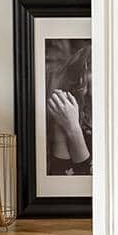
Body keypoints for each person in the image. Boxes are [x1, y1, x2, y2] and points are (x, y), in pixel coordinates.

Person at [46, 42, 92, 176]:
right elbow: (62, 175)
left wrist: (73, 128)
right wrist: (70, 126)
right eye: (89, 70)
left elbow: (92, 178)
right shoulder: (66, 113)